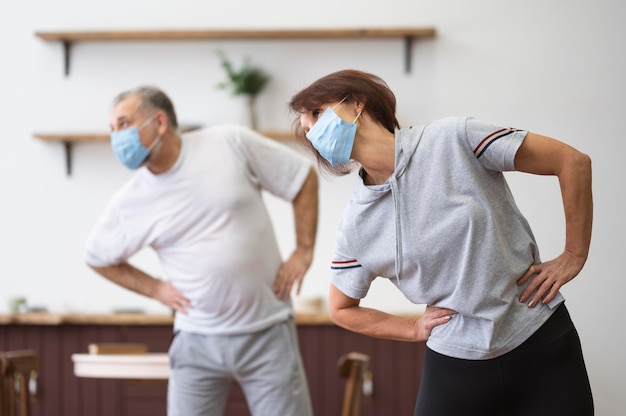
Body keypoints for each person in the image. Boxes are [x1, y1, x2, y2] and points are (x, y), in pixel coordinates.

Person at [289, 69, 594, 415]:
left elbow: (572, 162)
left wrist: (574, 253)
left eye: (316, 113)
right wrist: (413, 328)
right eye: (308, 128)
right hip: (455, 365)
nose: (313, 130)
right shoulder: (357, 224)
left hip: (540, 342)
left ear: (357, 102)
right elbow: (340, 309)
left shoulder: (453, 138)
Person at [85, 86, 318, 416]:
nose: (116, 137)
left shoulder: (230, 142)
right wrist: (155, 288)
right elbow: (97, 257)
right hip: (196, 341)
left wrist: (304, 250)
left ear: (160, 122)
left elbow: (302, 177)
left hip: (267, 331)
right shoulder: (130, 201)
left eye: (123, 124)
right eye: (112, 130)